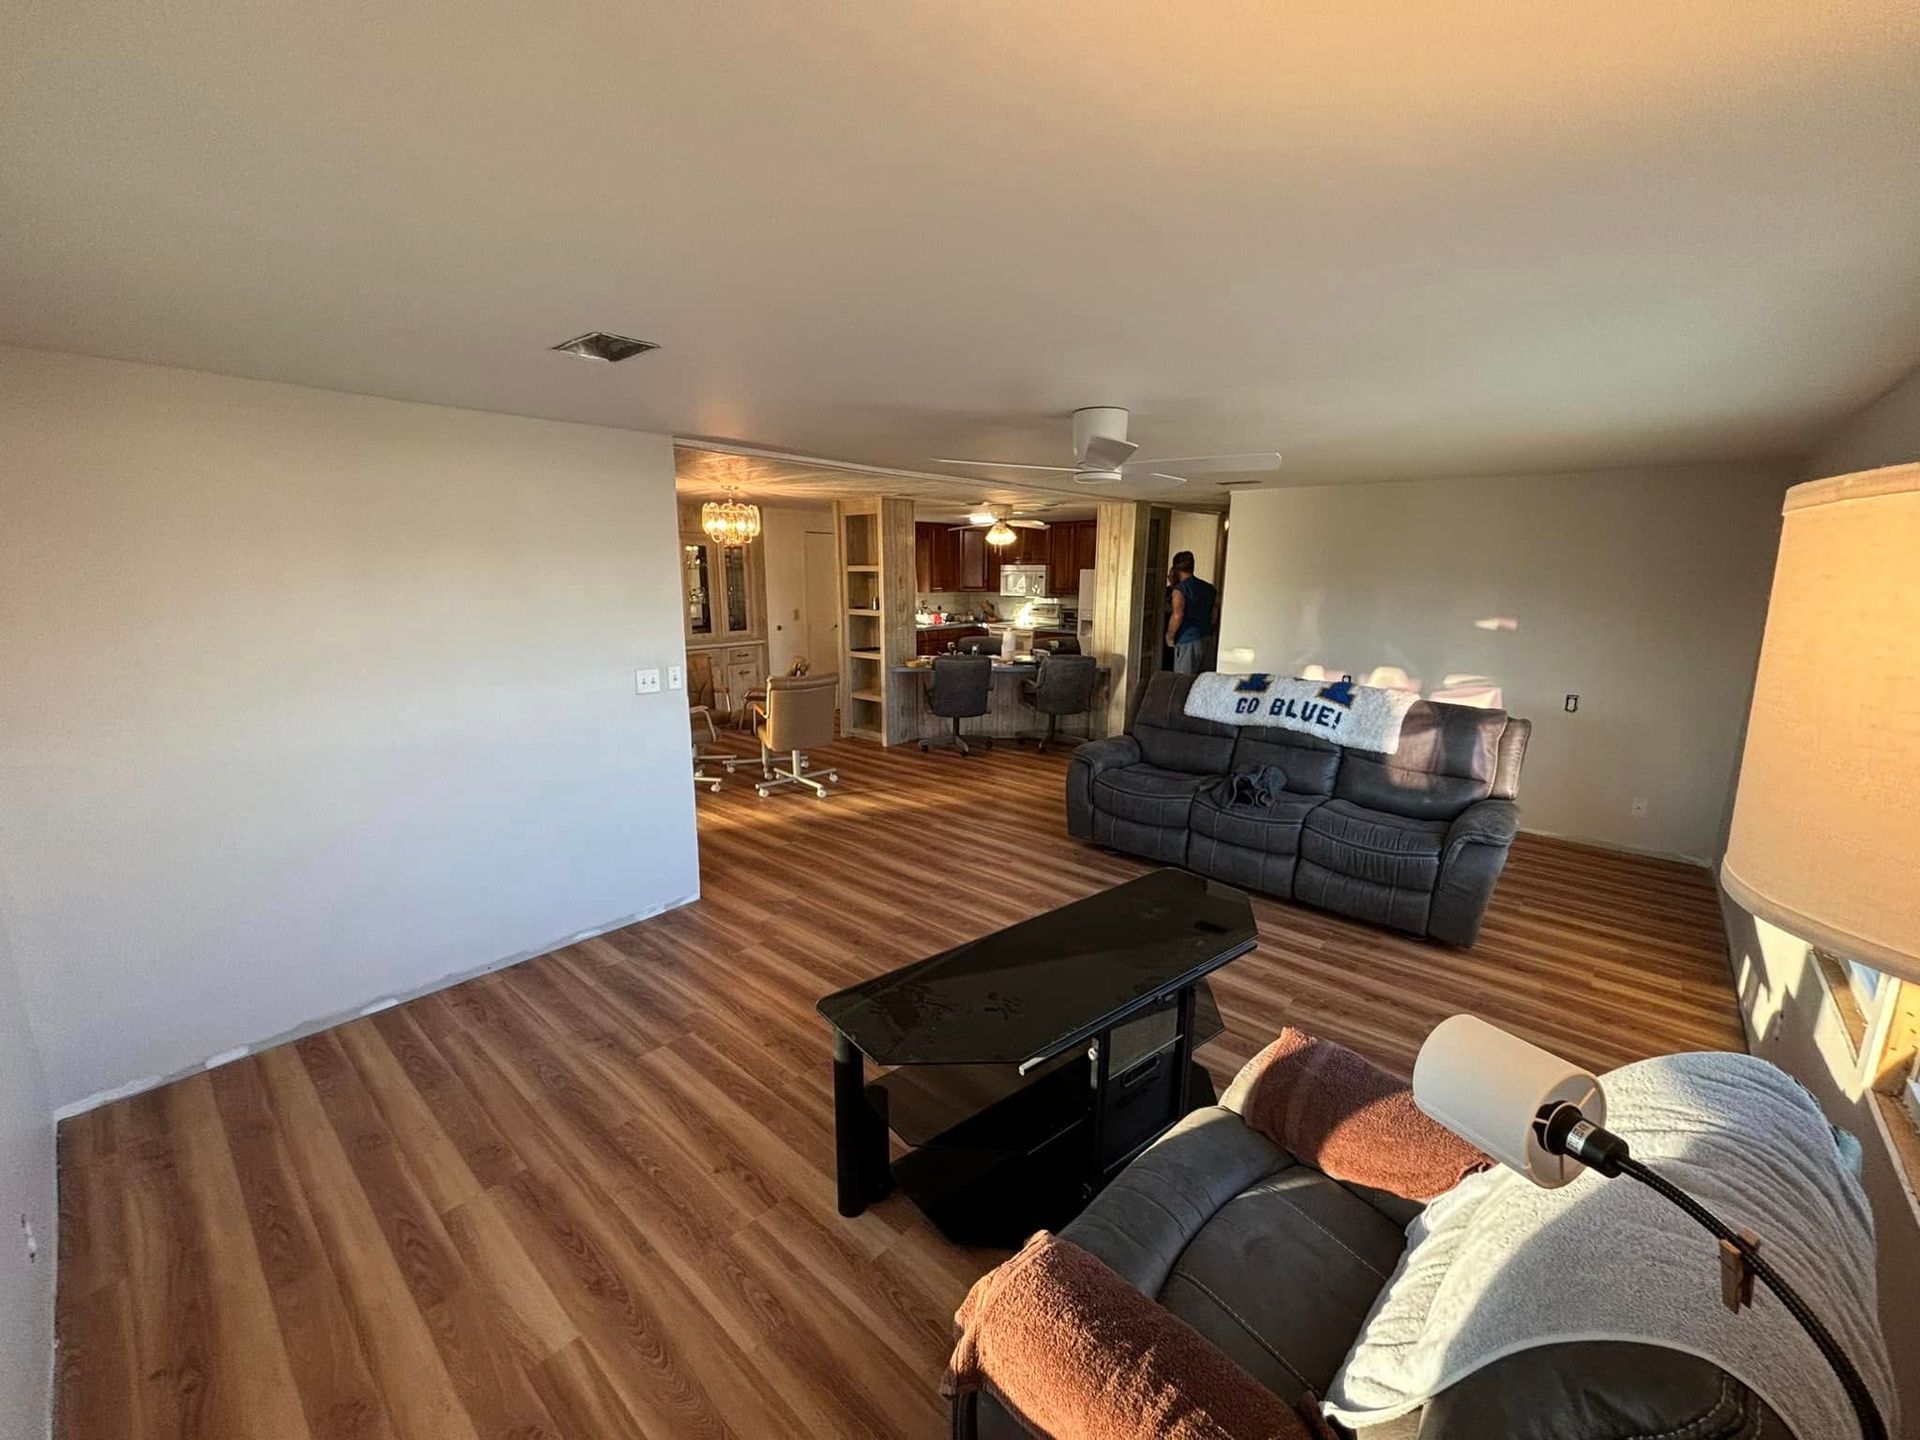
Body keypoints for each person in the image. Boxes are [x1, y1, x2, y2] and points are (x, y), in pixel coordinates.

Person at [1165, 551, 1217, 674]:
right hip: (1207, 639)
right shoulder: (1209, 588)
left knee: (1183, 681)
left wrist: (1169, 636)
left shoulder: (1180, 590)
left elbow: (1177, 615)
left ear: (1176, 568)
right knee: (1205, 681)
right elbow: (1214, 613)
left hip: (1187, 639)